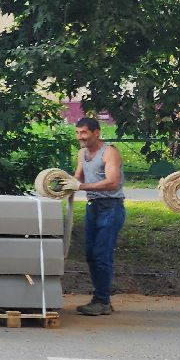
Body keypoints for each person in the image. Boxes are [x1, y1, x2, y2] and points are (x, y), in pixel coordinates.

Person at [72, 117, 125, 315]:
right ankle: (100, 299)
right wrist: (60, 183)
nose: (80, 137)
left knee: (102, 255)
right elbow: (77, 178)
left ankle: (102, 301)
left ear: (96, 132)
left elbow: (113, 183)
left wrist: (81, 186)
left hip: (110, 207)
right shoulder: (82, 153)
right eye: (77, 133)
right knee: (90, 255)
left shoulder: (109, 152)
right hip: (92, 207)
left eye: (84, 132)